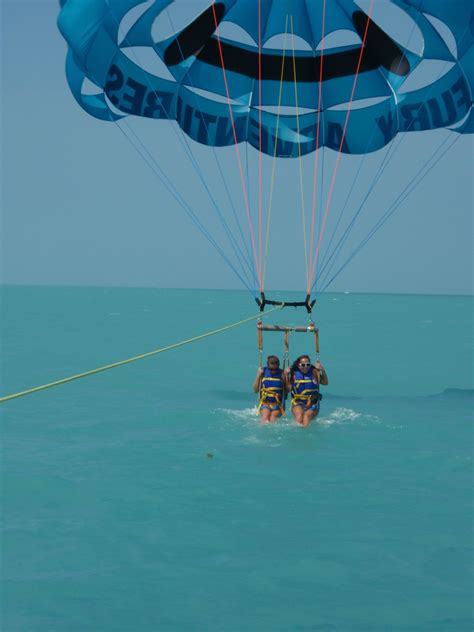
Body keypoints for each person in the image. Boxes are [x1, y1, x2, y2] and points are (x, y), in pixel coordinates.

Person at [285, 355, 328, 427]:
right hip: (298, 402)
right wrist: (286, 375)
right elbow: (288, 390)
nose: (306, 367)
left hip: (313, 403)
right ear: (298, 365)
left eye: (308, 364)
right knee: (299, 417)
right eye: (303, 365)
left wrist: (322, 370)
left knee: (306, 417)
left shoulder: (314, 372)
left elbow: (325, 383)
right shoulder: (293, 374)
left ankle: (305, 436)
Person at [252, 355, 287, 422]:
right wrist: (258, 375)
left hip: (278, 405)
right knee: (265, 416)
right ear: (268, 366)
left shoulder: (282, 374)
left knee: (272, 418)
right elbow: (255, 390)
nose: (273, 371)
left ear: (278, 366)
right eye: (271, 369)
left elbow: (287, 391)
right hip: (265, 404)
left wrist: (286, 377)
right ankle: (260, 431)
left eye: (275, 369)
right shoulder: (263, 372)